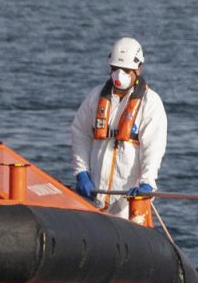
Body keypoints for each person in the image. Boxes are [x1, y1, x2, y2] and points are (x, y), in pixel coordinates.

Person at [69, 36, 167, 219]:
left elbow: (153, 149)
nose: (119, 74)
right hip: (93, 201)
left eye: (126, 70)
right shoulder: (95, 97)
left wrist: (146, 184)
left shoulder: (150, 103)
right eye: (115, 69)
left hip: (127, 206)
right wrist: (81, 172)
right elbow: (80, 133)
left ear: (138, 69)